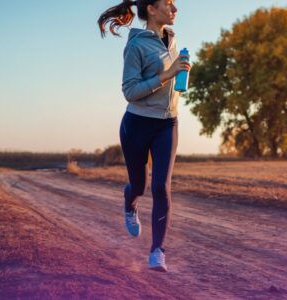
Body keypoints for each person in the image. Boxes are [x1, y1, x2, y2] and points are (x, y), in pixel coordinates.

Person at [97, 0, 190, 272]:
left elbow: (170, 85)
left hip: (167, 124)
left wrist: (180, 77)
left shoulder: (171, 41)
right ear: (151, 9)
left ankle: (157, 251)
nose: (175, 9)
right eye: (169, 4)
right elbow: (130, 91)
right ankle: (130, 202)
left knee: (161, 186)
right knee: (139, 185)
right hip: (137, 123)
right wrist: (167, 74)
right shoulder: (136, 45)